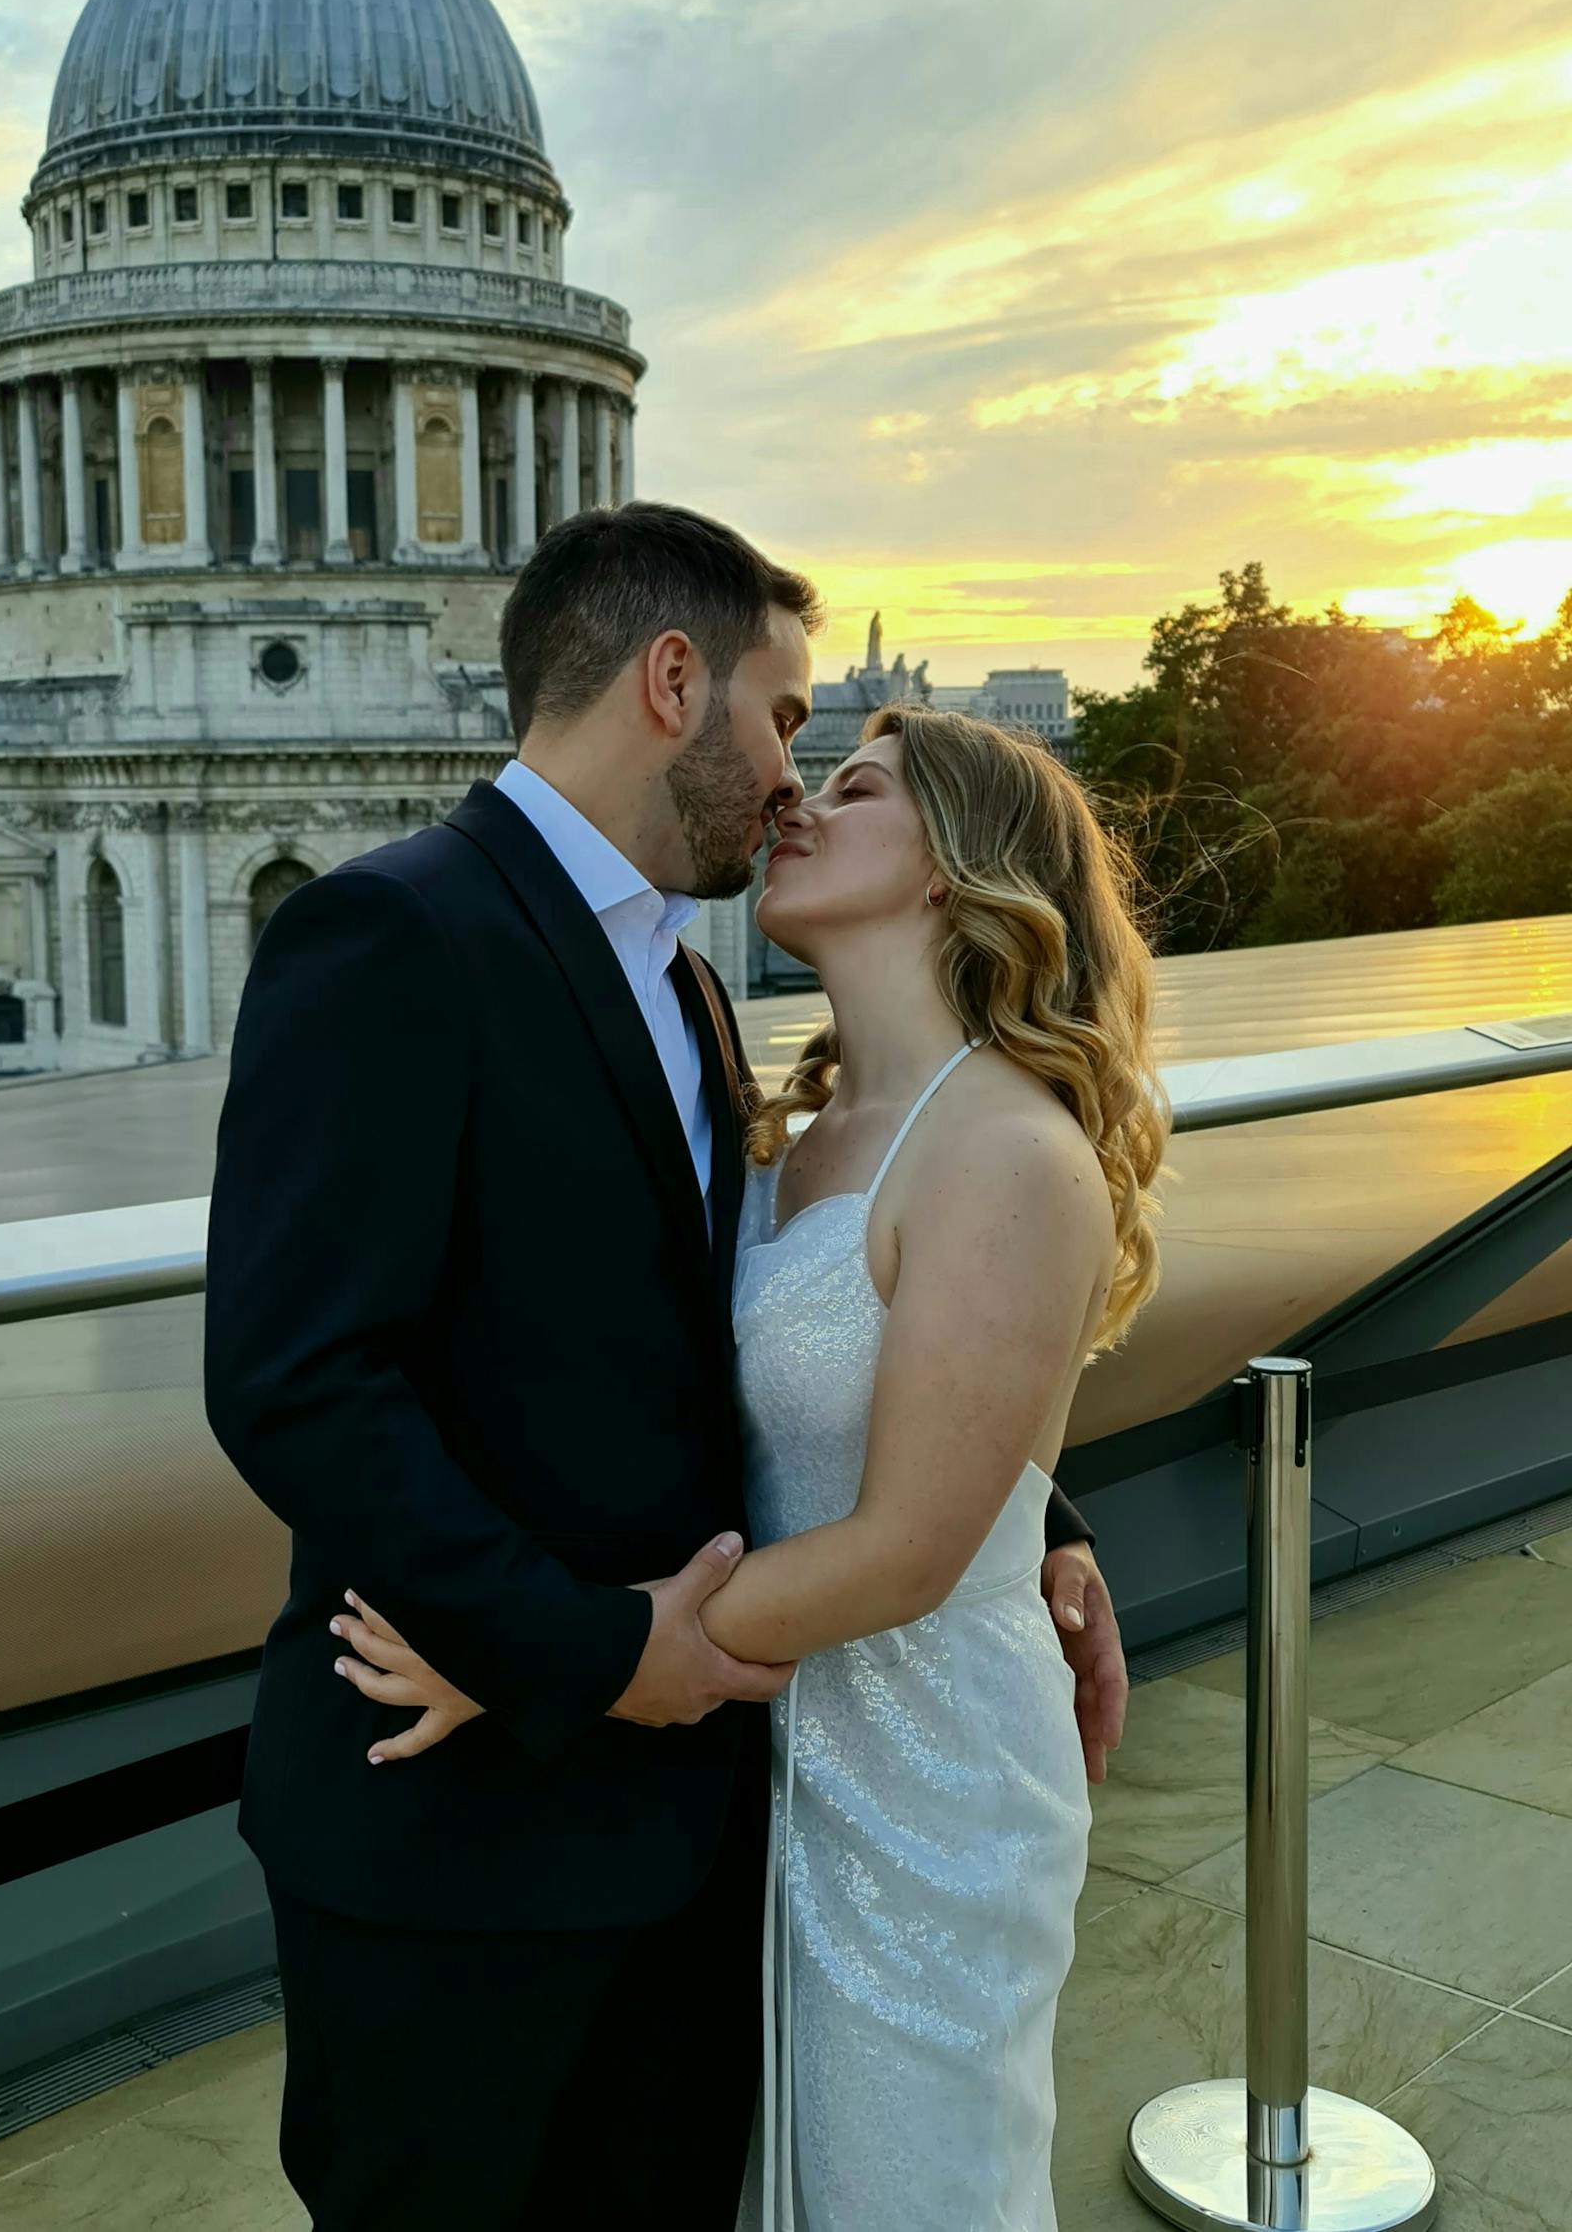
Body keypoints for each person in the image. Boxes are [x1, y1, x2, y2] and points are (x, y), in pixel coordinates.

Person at [204, 504, 1129, 2232]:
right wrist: (583, 1648)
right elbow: (294, 1378)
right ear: (672, 679)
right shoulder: (392, 933)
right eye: (789, 722)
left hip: (703, 1826)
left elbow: (762, 1350)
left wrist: (1033, 1520)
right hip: (456, 1840)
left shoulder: (699, 1001)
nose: (793, 776)